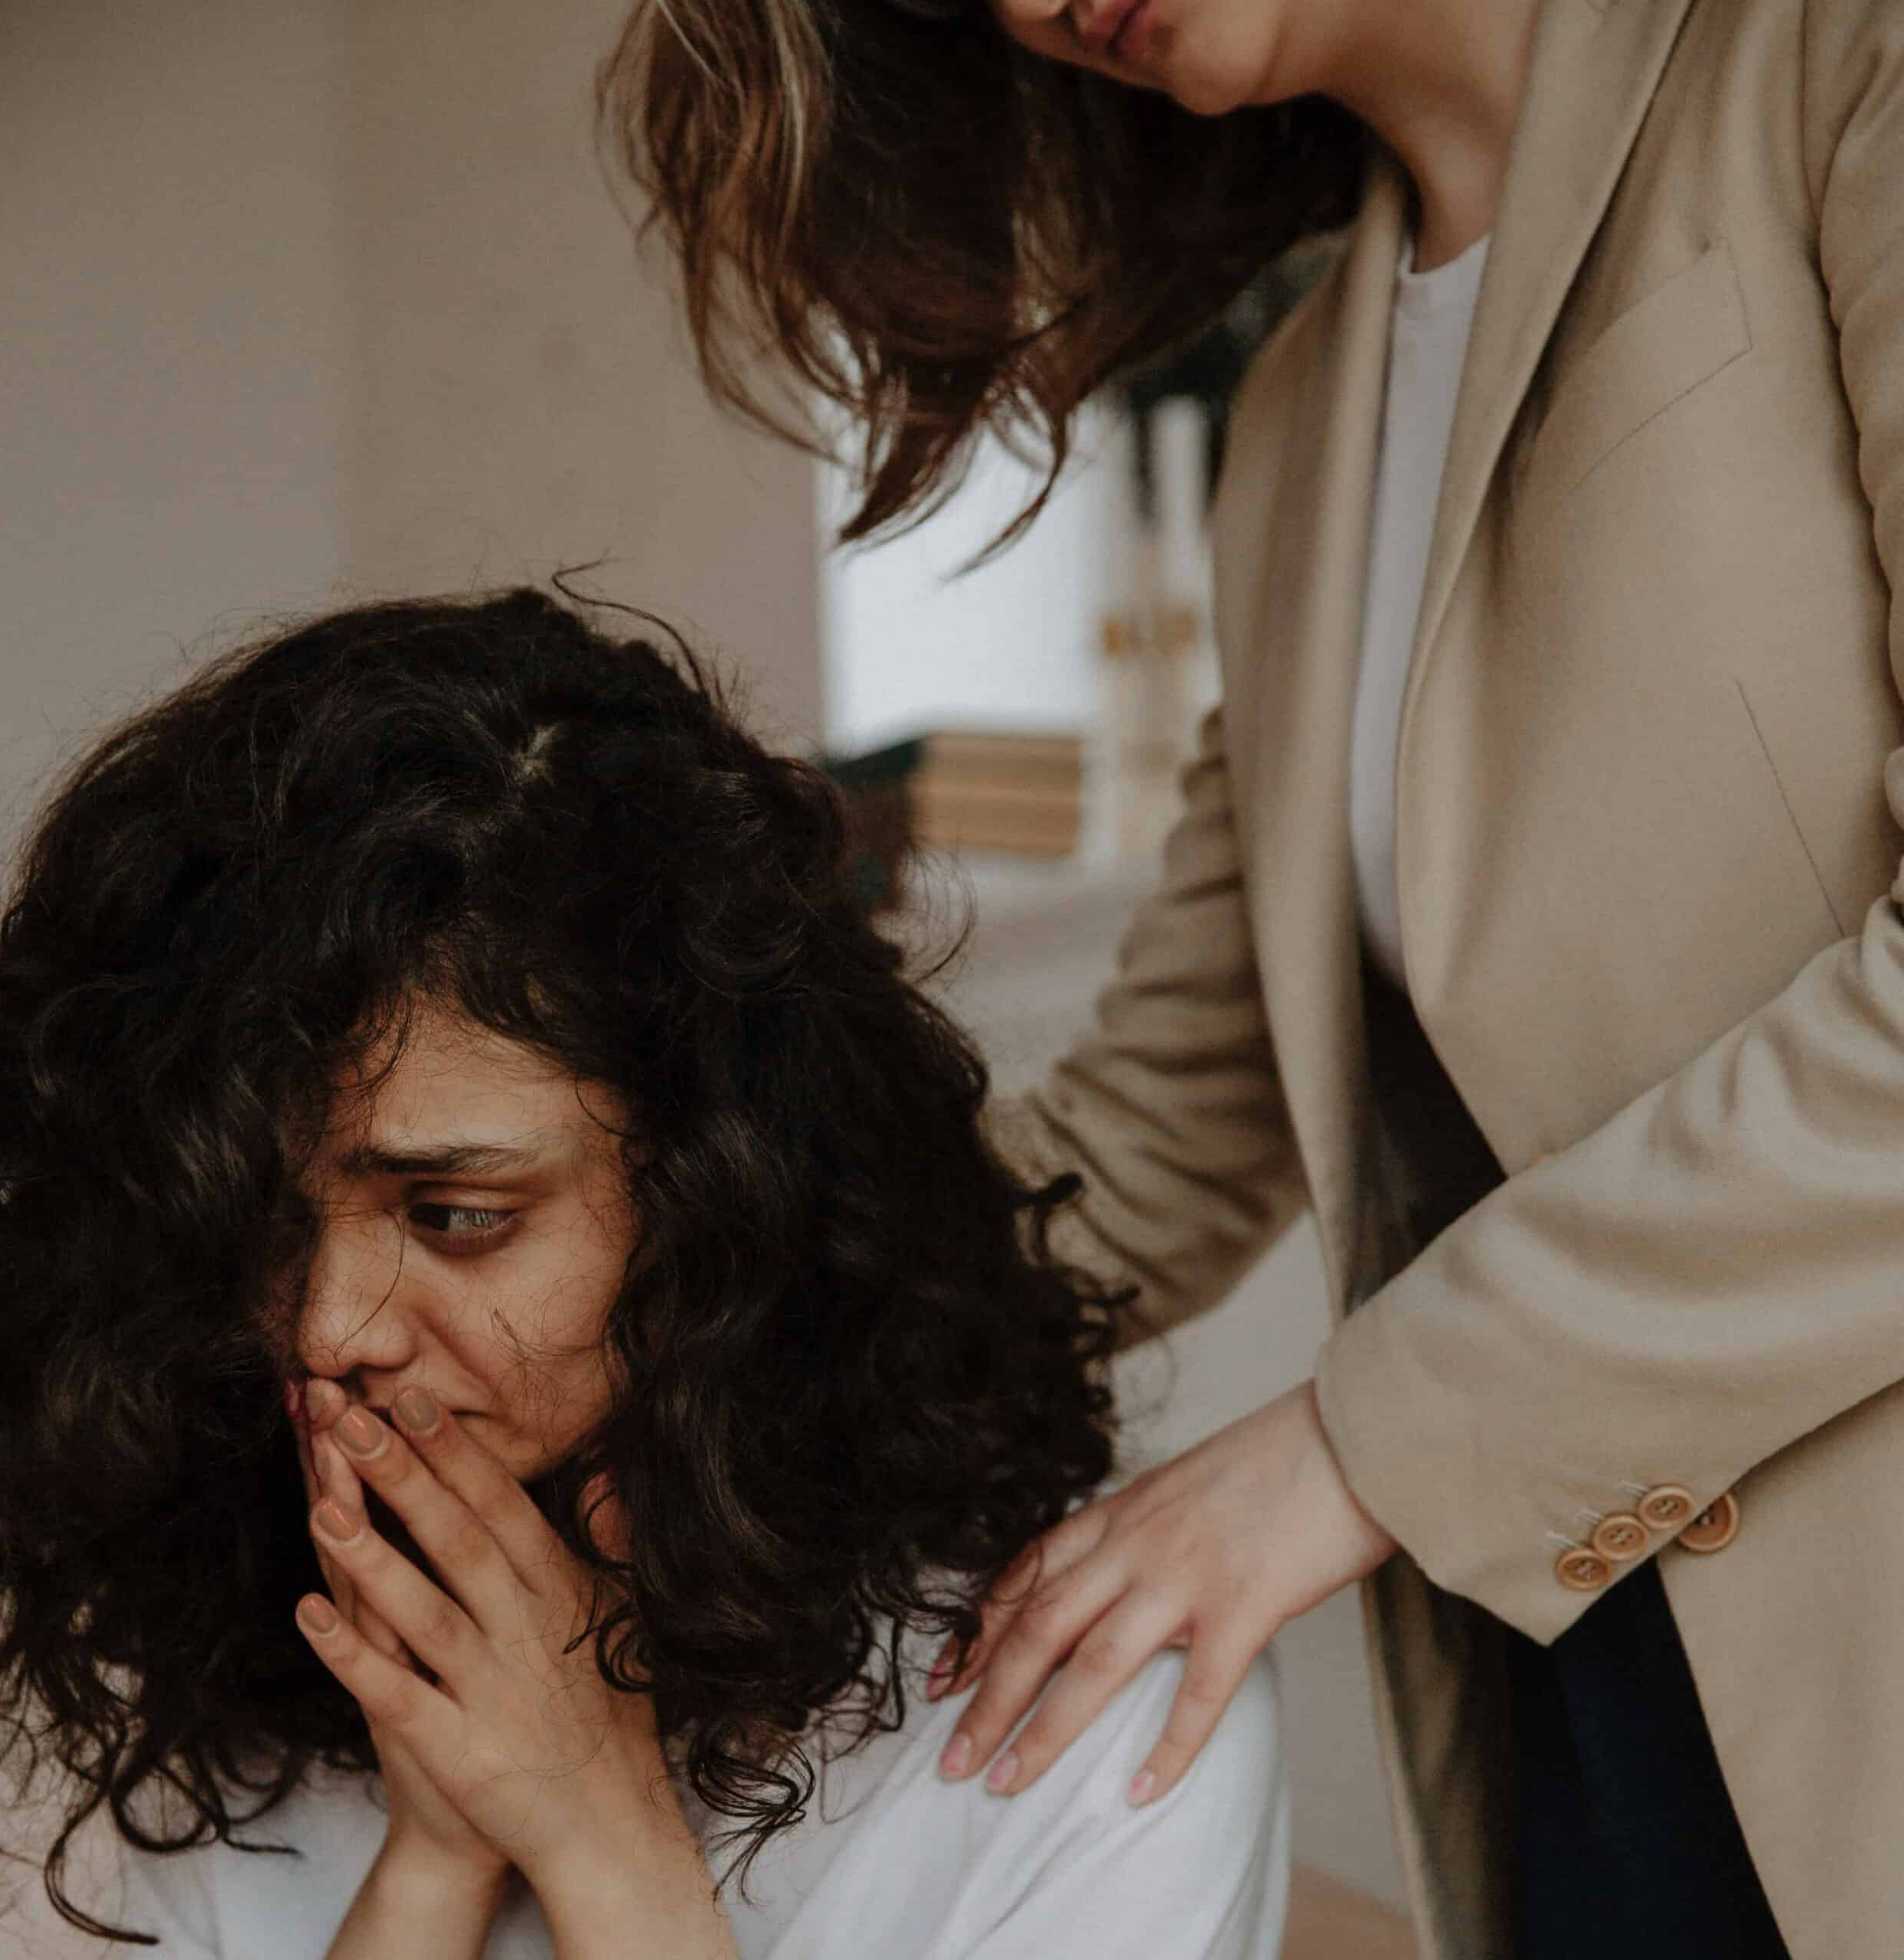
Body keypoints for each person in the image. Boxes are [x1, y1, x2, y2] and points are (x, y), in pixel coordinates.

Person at [599, 0, 1904, 1952]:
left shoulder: (1828, 64)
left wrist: (1347, 1442)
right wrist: (609, 1324)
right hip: (1584, 1641)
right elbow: (1158, 1131)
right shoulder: (1304, 408)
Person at [0, 588, 1290, 1958]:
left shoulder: (1082, 1693)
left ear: (728, 1187)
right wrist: (435, 1857)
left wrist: (600, 1831)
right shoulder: (226, 1631)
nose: (328, 1331)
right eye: (264, 1225)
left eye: (458, 1215)